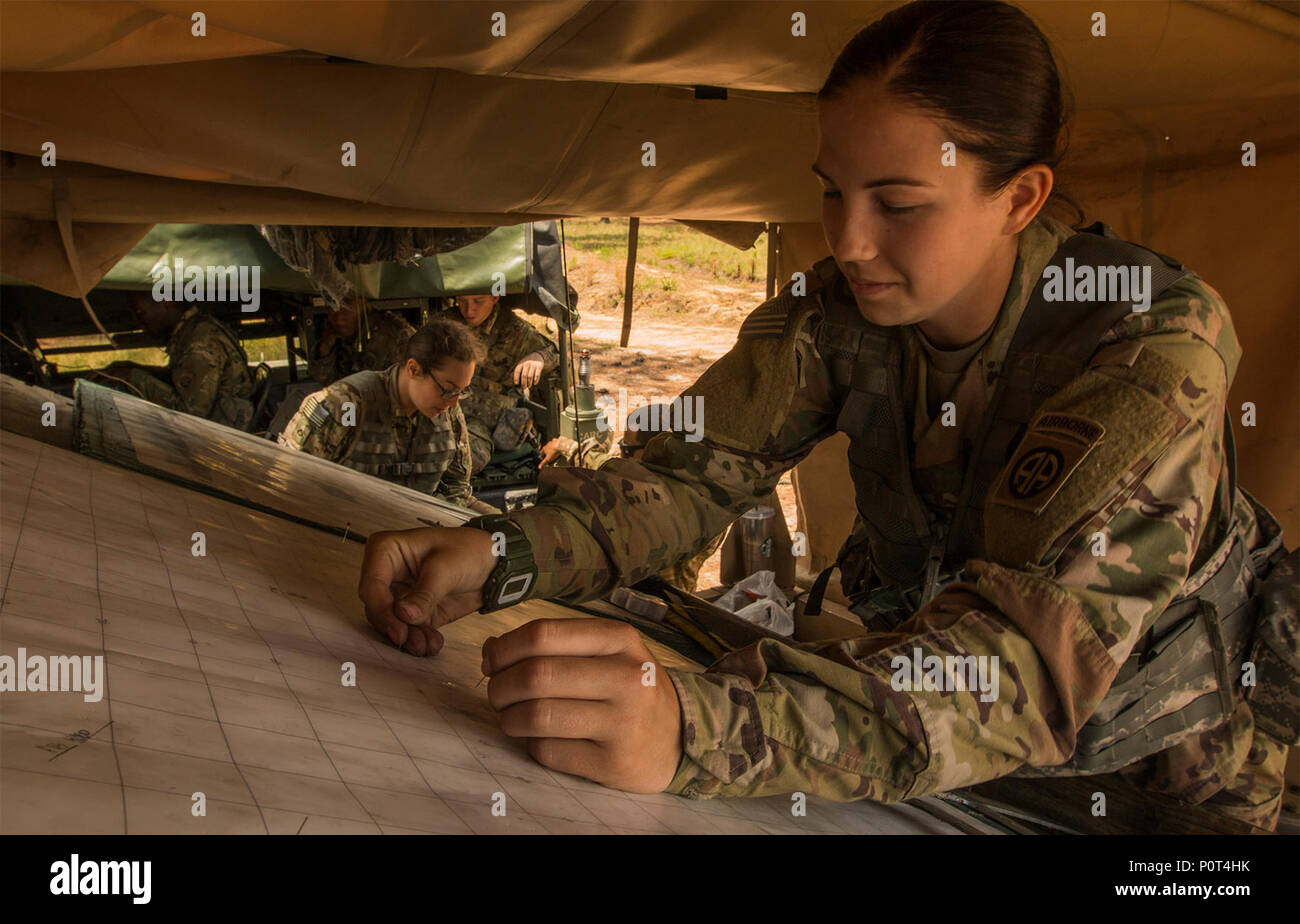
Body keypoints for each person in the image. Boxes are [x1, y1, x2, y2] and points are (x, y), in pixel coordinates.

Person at [355, 1, 1297, 830]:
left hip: (1160, 790)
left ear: (1020, 197)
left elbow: (1027, 664)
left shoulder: (1150, 339)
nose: (850, 240)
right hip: (939, 757)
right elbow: (690, 474)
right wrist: (504, 555)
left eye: (898, 203)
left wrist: (697, 729)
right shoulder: (844, 313)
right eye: (833, 192)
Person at [279, 317, 497, 513]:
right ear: (413, 369)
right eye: (448, 389)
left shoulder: (447, 412)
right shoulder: (344, 405)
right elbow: (289, 487)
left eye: (462, 391)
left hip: (416, 533)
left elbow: (455, 491)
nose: (453, 403)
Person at [435, 292, 559, 472]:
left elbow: (559, 360)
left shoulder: (515, 330)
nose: (469, 309)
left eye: (478, 301)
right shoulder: (445, 323)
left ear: (495, 297)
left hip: (482, 422)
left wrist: (539, 357)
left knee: (463, 460)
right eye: (462, 301)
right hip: (441, 410)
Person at [94, 292, 255, 429]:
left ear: (166, 300)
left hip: (218, 433)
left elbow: (190, 414)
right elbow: (180, 379)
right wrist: (134, 369)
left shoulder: (200, 341)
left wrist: (132, 378)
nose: (136, 321)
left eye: (139, 312)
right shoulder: (191, 330)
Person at [305, 297, 415, 386]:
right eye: (332, 306)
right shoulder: (335, 338)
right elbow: (322, 379)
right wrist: (325, 348)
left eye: (346, 305)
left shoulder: (394, 335)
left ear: (362, 302)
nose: (338, 317)